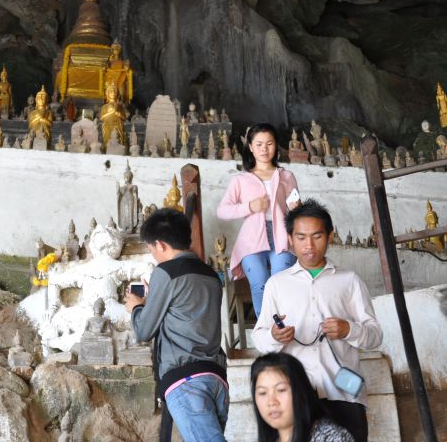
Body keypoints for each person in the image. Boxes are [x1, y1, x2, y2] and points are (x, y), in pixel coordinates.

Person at [252, 200, 383, 442]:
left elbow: (375, 335)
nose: (309, 245)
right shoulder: (277, 284)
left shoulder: (349, 281)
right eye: (301, 237)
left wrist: (348, 329)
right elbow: (259, 339)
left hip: (344, 395)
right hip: (296, 400)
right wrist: (274, 336)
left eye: (317, 236)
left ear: (330, 236)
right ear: (290, 238)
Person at [125, 208, 228, 442]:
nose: (153, 255)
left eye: (151, 249)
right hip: (216, 378)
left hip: (187, 380)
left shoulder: (165, 272)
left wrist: (137, 307)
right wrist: (156, 299)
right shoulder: (211, 275)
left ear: (160, 245)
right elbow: (187, 312)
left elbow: (143, 330)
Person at [216, 123, 300, 317]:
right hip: (251, 239)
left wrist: (297, 212)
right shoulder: (240, 180)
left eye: (269, 143)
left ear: (276, 146)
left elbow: (295, 207)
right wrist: (250, 207)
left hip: (281, 235)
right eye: (259, 144)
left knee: (281, 283)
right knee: (260, 284)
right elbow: (222, 211)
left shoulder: (286, 176)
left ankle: (285, 329)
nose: (264, 148)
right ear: (251, 147)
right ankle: (268, 332)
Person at [251, 352, 355, 442]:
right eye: (262, 393)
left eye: (281, 390)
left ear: (300, 391)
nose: (271, 402)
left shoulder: (330, 437)